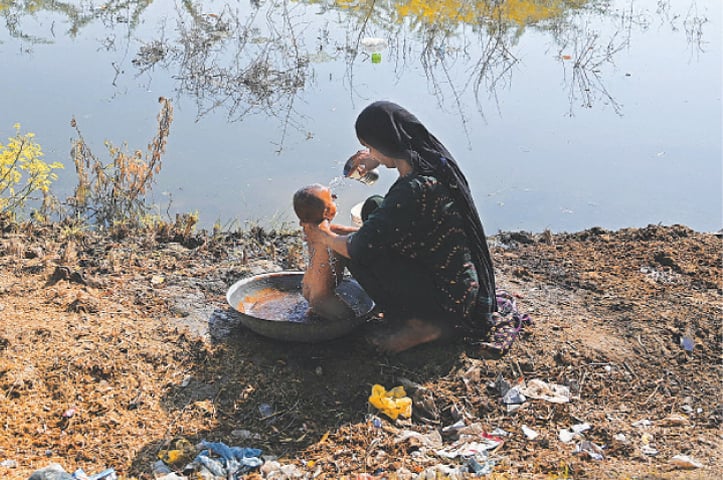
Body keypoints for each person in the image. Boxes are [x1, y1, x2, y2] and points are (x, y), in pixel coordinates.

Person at [302, 101, 497, 353]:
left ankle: (423, 325)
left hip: (449, 304)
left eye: (370, 146)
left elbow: (359, 248)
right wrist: (375, 159)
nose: (368, 152)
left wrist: (323, 235)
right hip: (455, 284)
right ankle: (408, 310)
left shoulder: (413, 191)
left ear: (386, 144)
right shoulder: (429, 163)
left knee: (358, 249)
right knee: (374, 206)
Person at [293, 184, 356, 321]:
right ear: (327, 212)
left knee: (321, 310)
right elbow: (358, 237)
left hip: (307, 287)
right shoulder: (331, 233)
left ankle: (316, 311)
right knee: (350, 318)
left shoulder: (308, 229)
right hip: (323, 297)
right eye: (331, 199)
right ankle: (321, 310)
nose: (335, 198)